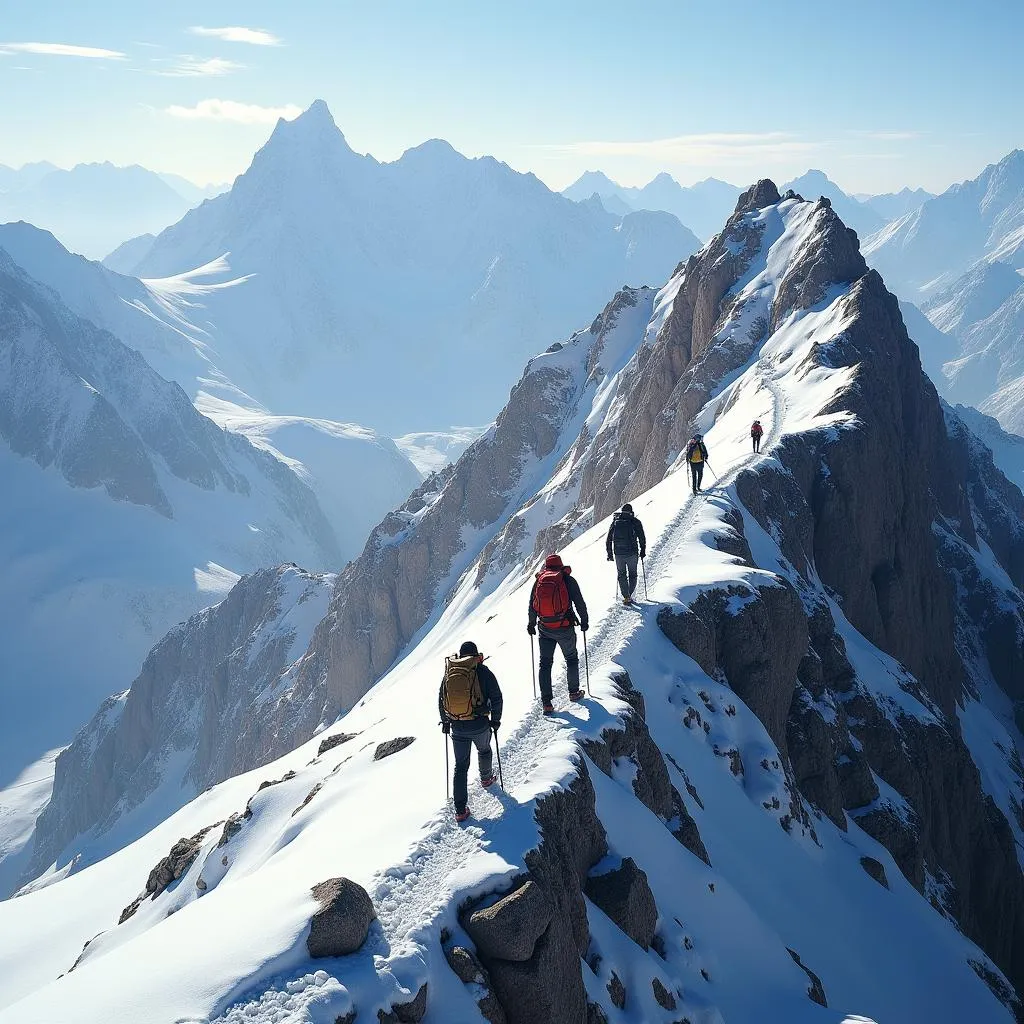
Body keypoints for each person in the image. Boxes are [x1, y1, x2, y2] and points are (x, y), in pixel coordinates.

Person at [439, 641, 503, 823]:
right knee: (484, 750)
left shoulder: (450, 673)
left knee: (460, 766)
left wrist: (445, 721)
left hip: (457, 726)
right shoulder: (483, 671)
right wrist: (496, 720)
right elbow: (497, 697)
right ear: (476, 655)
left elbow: (441, 698)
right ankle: (486, 779)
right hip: (479, 725)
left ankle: (460, 810)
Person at [527, 553, 589, 714]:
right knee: (571, 659)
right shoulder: (567, 580)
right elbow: (579, 602)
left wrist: (531, 623)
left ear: (547, 567)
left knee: (545, 664)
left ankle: (547, 702)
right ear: (560, 565)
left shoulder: (539, 580)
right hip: (564, 627)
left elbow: (532, 604)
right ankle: (574, 692)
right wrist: (584, 621)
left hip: (544, 628)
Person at [606, 503, 646, 605]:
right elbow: (642, 538)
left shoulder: (615, 522)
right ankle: (629, 595)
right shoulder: (635, 522)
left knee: (621, 574)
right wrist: (642, 551)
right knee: (633, 574)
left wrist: (610, 554)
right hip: (632, 553)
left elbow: (609, 539)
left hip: (618, 554)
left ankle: (626, 596)